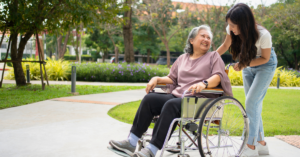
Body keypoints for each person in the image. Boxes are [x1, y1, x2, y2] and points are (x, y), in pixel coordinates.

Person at [108, 25, 233, 157]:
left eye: (209, 38)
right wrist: (156, 79)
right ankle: (131, 142)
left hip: (199, 100)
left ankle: (151, 150)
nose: (206, 39)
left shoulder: (213, 56)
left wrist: (204, 83)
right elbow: (171, 78)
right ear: (191, 40)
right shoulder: (182, 58)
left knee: (171, 105)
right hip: (178, 96)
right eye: (203, 36)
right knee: (149, 99)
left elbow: (218, 76)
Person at [216, 3, 277, 157]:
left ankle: (249, 146)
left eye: (233, 25)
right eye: (229, 24)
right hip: (247, 64)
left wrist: (243, 64)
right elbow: (225, 45)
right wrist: (210, 58)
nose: (230, 28)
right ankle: (261, 144)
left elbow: (265, 58)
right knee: (254, 105)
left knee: (251, 103)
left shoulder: (263, 35)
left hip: (265, 65)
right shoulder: (232, 29)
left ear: (244, 23)